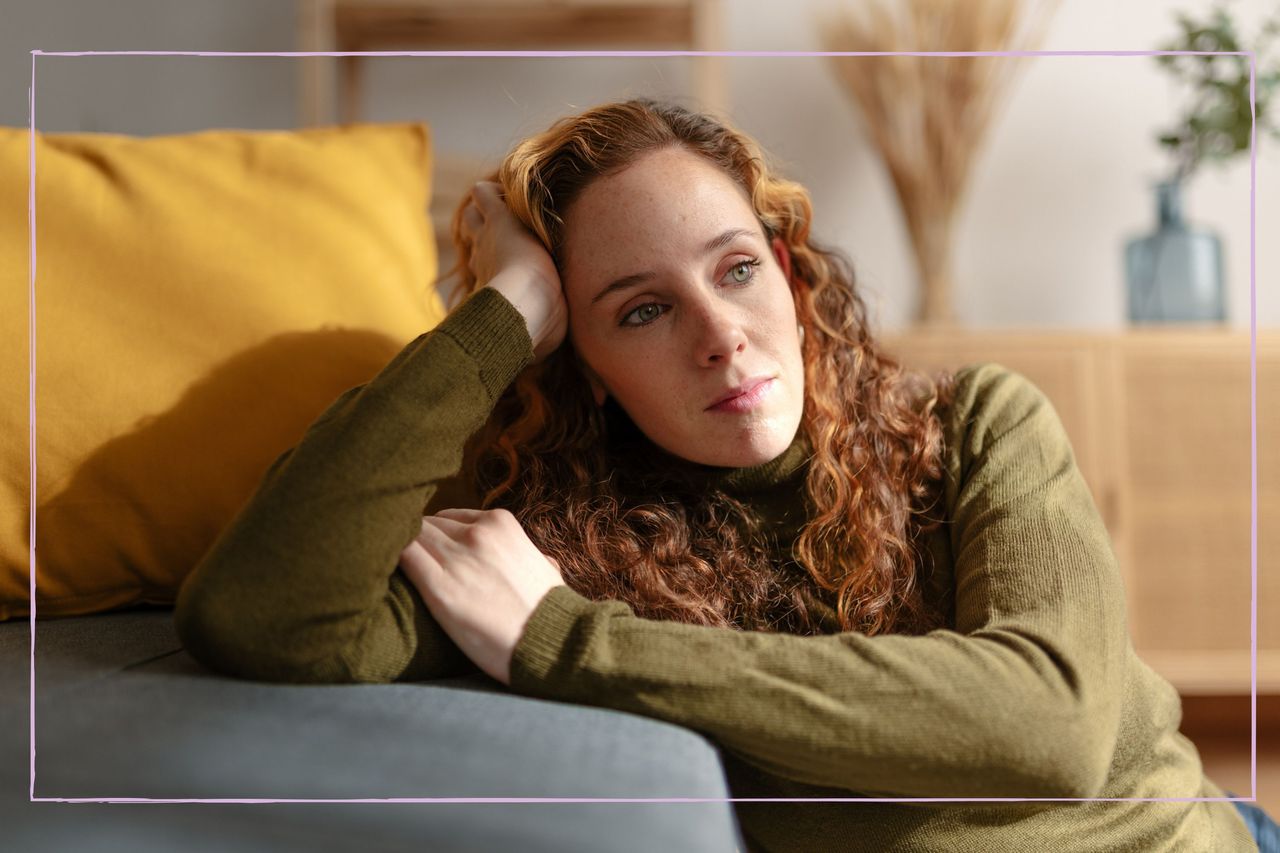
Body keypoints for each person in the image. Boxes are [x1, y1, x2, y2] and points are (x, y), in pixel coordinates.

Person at [175, 98, 1267, 851]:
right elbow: (264, 616)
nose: (720, 336)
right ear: (581, 364)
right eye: (639, 310)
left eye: (736, 270)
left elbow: (1051, 728)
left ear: (787, 277)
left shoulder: (974, 422)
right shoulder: (553, 544)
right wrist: (499, 316)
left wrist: (568, 643)